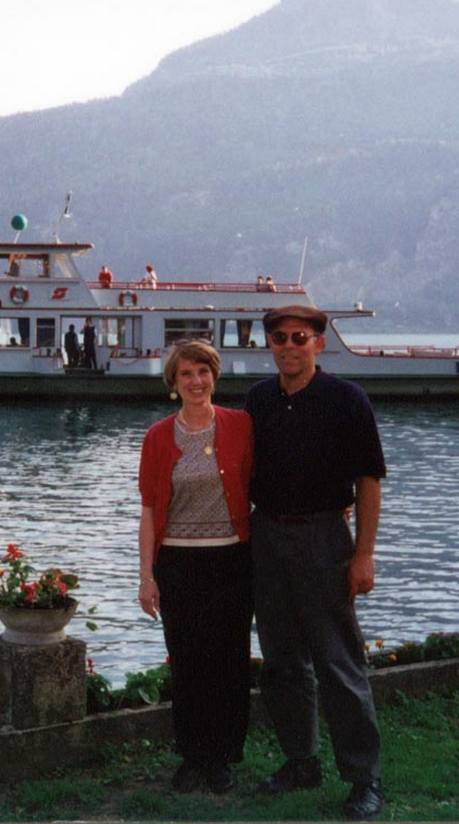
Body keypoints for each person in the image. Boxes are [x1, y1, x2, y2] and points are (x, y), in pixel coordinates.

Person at [244, 304, 387, 820]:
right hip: (267, 537)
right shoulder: (257, 400)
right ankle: (301, 760)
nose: (288, 346)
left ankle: (364, 778)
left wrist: (364, 553)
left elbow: (369, 480)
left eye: (299, 338)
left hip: (325, 538)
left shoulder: (347, 400)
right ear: (270, 344)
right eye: (279, 338)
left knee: (338, 660)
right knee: (281, 661)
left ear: (318, 344)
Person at [137, 340, 254, 794]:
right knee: (187, 661)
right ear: (174, 382)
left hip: (231, 559)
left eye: (203, 372)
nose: (196, 381)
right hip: (179, 562)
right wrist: (147, 576)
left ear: (215, 376)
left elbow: (271, 480)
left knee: (229, 661)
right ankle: (192, 755)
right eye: (186, 374)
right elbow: (148, 511)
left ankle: (222, 757)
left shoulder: (240, 425)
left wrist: (335, 502)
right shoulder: (157, 437)